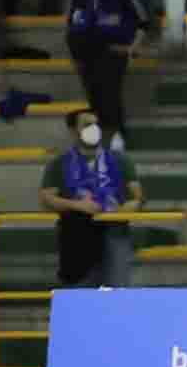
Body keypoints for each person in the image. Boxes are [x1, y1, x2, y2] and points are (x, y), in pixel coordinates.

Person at [41, 116, 131, 287]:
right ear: (74, 130)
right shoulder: (59, 163)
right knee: (80, 295)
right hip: (76, 237)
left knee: (116, 296)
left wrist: (119, 209)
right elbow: (47, 197)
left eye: (97, 124)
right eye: (88, 124)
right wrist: (78, 205)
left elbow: (137, 198)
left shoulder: (120, 160)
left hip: (114, 234)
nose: (94, 128)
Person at [62, 0, 142, 145]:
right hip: (85, 55)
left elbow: (141, 23)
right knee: (94, 96)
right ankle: (99, 139)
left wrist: (131, 48)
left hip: (114, 52)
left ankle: (117, 136)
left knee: (109, 94)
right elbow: (73, 25)